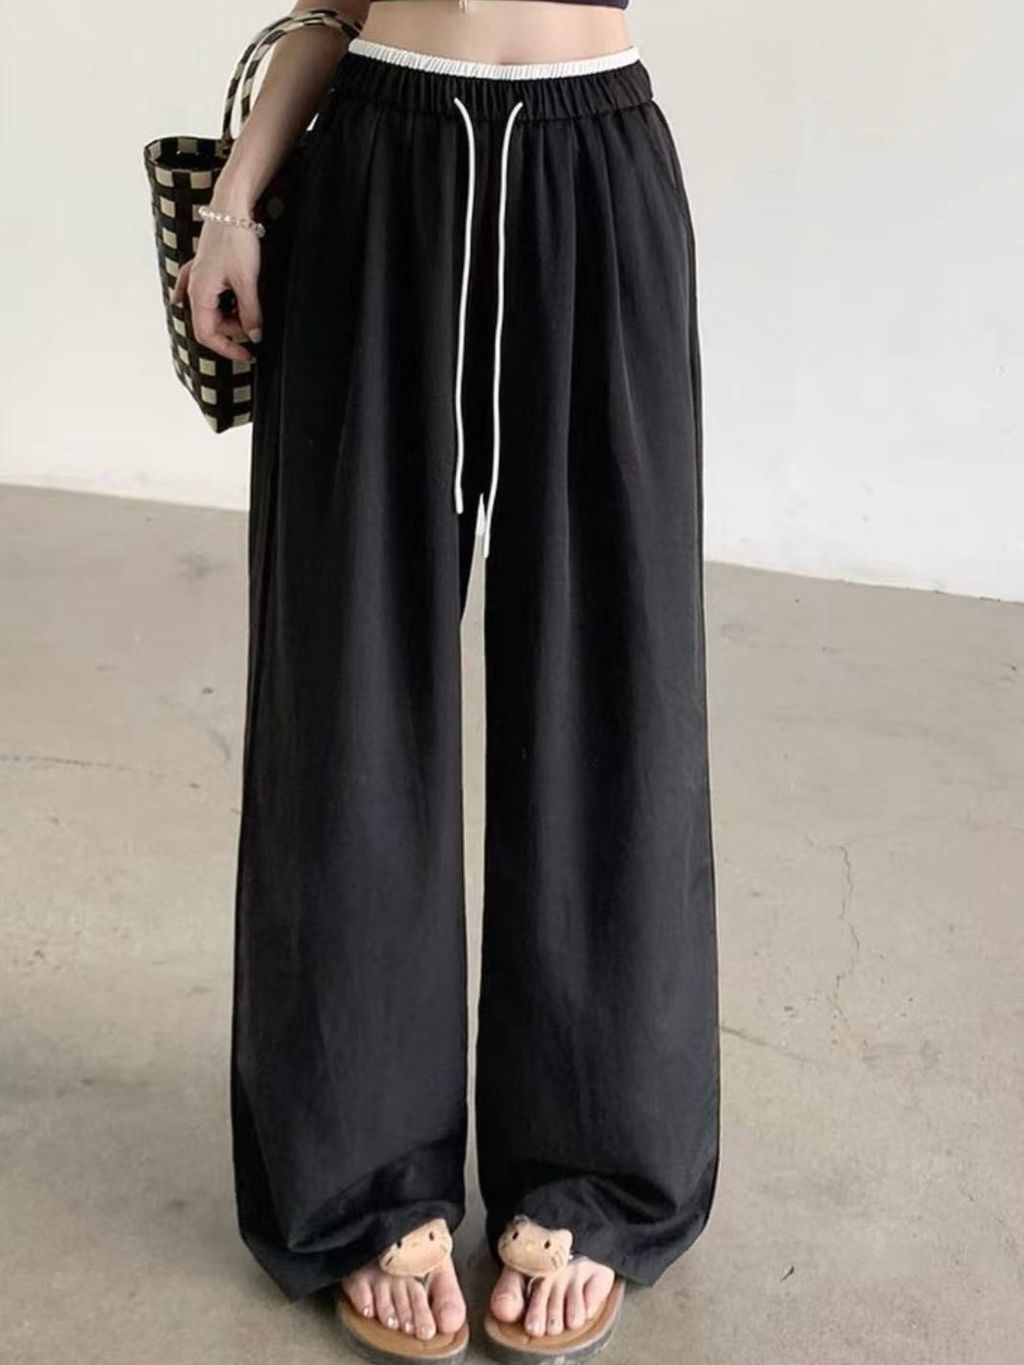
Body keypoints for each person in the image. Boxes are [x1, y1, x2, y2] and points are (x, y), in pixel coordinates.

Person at [175, 1, 720, 1360]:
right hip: (382, 163)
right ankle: (363, 1172)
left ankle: (594, 1164)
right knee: (344, 693)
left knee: (615, 691)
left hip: (594, 170)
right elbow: (336, 6)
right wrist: (236, 198)